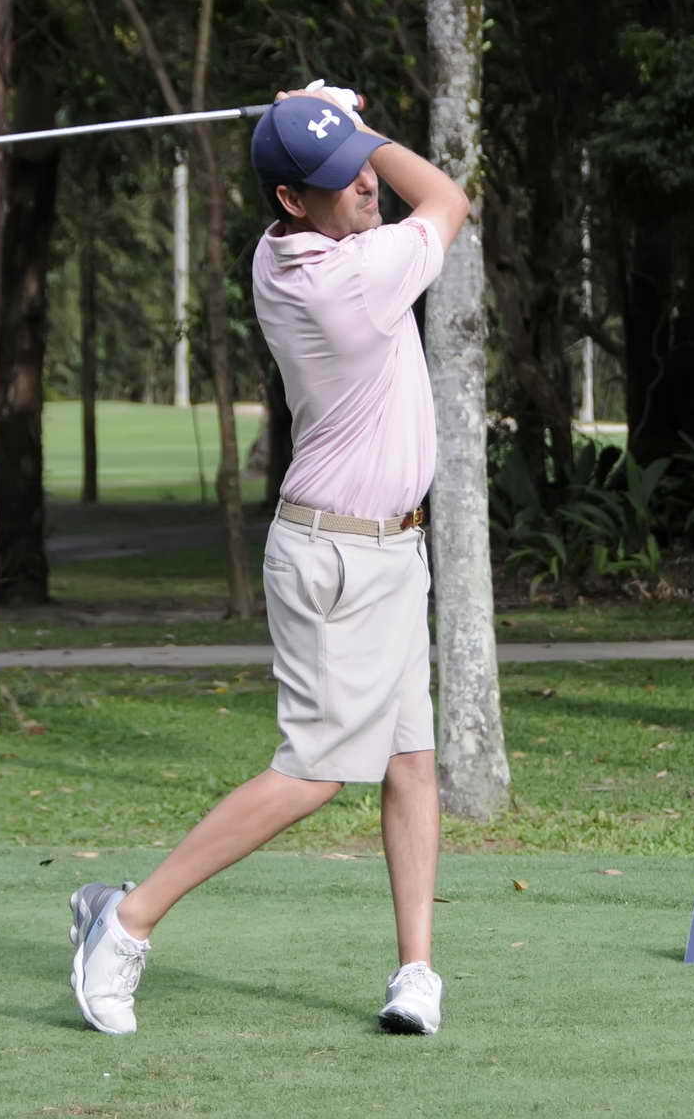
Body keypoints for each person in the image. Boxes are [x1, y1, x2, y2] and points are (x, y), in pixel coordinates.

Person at [67, 85, 471, 1037]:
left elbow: (375, 192)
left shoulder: (281, 247)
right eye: (342, 177)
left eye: (363, 169)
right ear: (292, 199)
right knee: (316, 772)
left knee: (412, 760)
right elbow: (447, 198)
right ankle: (125, 919)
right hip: (338, 560)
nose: (366, 184)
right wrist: (363, 127)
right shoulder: (350, 279)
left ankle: (416, 972)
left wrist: (327, 128)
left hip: (391, 549)